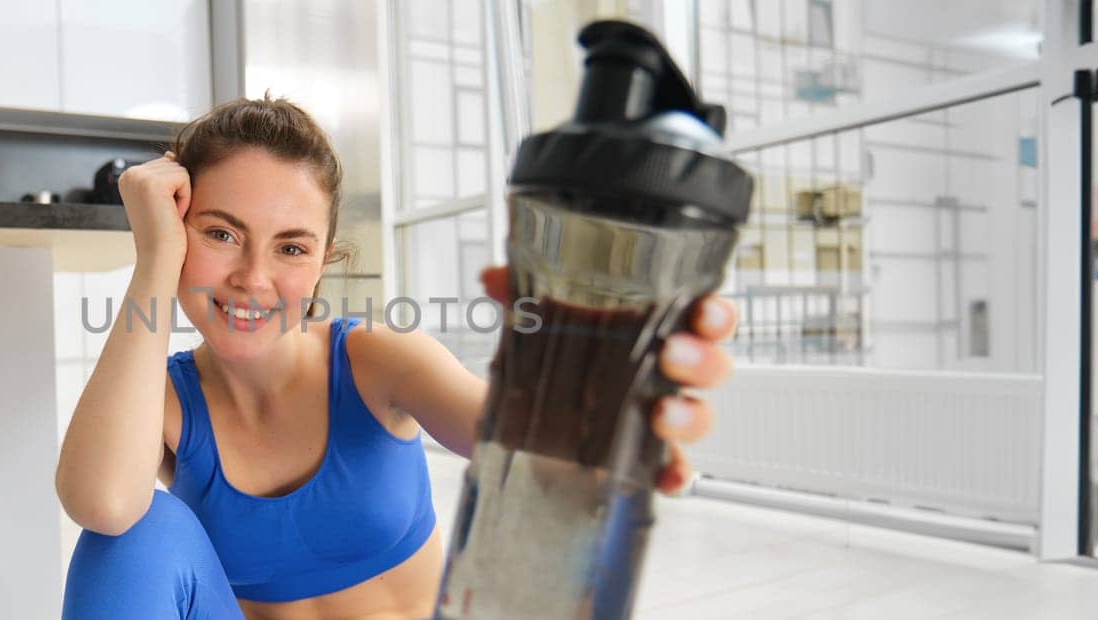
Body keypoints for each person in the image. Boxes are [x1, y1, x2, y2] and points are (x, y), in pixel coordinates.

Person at [54, 96, 735, 619]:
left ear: (323, 262)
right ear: (175, 232)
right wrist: (153, 262)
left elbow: (525, 440)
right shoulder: (169, 402)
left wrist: (599, 403)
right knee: (135, 531)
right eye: (222, 234)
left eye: (291, 247)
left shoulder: (376, 361)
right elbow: (103, 504)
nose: (254, 278)